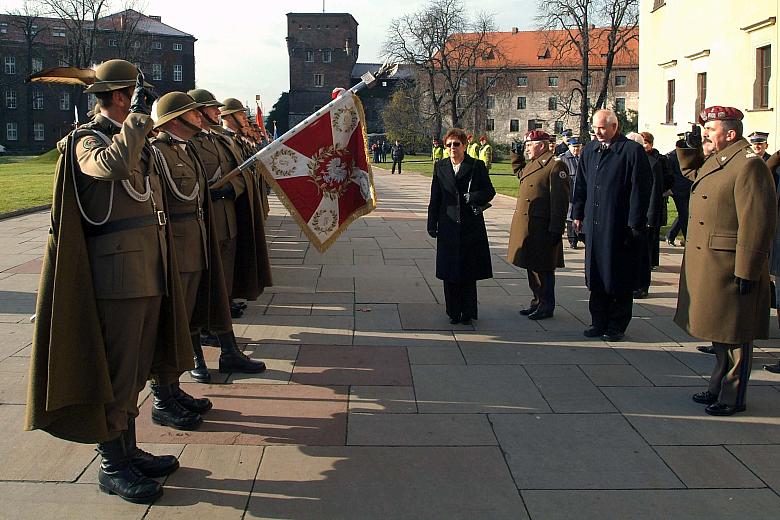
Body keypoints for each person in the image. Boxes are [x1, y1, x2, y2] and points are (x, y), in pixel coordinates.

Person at [25, 60, 192, 503]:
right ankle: (111, 465)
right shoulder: (86, 140)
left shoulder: (136, 139)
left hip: (147, 270)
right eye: (136, 94)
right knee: (118, 371)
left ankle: (128, 449)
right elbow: (111, 169)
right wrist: (137, 121)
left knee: (136, 368)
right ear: (120, 97)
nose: (143, 102)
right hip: (117, 277)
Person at [676, 106, 776, 416]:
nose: (706, 133)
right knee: (719, 332)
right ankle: (716, 385)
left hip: (731, 265)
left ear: (730, 134)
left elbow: (757, 222)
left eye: (711, 129)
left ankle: (734, 397)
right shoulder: (723, 159)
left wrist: (748, 269)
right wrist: (689, 145)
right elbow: (694, 173)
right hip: (713, 264)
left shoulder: (749, 166)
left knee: (735, 335)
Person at [148, 92, 236, 430]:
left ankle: (173, 389)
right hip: (177, 250)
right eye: (192, 114)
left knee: (187, 322)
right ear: (174, 120)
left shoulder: (184, 150)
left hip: (196, 245)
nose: (200, 117)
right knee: (172, 324)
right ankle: (162, 398)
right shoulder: (157, 152)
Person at [187, 89, 270, 379]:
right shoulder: (186, 144)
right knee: (198, 295)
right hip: (202, 229)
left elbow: (242, 175)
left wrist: (230, 189)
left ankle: (228, 352)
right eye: (208, 109)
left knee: (221, 293)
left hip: (228, 225)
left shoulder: (220, 140)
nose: (213, 113)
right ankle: (195, 356)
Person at [572, 109, 652, 342]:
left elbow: (640, 188)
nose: (598, 132)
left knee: (617, 275)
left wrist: (635, 224)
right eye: (595, 128)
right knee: (596, 274)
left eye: (603, 128)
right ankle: (598, 321)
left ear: (615, 127)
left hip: (619, 226)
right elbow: (582, 184)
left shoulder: (631, 151)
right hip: (595, 225)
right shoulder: (589, 150)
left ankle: (617, 324)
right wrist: (577, 213)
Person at [427, 128, 495, 325]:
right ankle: (453, 312)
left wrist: (473, 196)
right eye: (448, 145)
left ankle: (467, 312)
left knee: (467, 270)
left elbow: (489, 191)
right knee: (449, 271)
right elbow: (435, 198)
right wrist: (432, 223)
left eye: (456, 144)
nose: (452, 148)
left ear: (464, 145)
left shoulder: (476, 165)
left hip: (469, 225)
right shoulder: (440, 166)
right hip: (448, 224)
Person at [507, 130, 570, 320]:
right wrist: (516, 155)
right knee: (532, 267)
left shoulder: (555, 165)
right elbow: (520, 173)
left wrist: (556, 229)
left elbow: (560, 202)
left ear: (541, 145)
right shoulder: (535, 164)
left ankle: (546, 305)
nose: (526, 149)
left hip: (543, 228)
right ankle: (536, 301)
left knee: (544, 269)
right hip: (530, 227)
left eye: (529, 145)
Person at [633, 131, 672, 298]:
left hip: (646, 215)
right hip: (633, 214)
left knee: (644, 253)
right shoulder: (635, 160)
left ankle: (642, 286)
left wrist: (650, 217)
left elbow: (655, 192)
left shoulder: (652, 162)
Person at [665, 132, 693, 246]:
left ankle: (670, 235)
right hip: (678, 190)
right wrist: (672, 188)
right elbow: (671, 174)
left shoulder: (691, 154)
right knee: (685, 214)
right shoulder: (672, 156)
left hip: (689, 188)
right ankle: (688, 240)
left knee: (685, 213)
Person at [560, 136, 583, 249]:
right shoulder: (563, 158)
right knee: (570, 215)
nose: (576, 149)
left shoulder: (583, 157)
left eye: (578, 147)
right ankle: (572, 239)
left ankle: (579, 236)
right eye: (574, 147)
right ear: (569, 146)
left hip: (581, 191)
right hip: (569, 191)